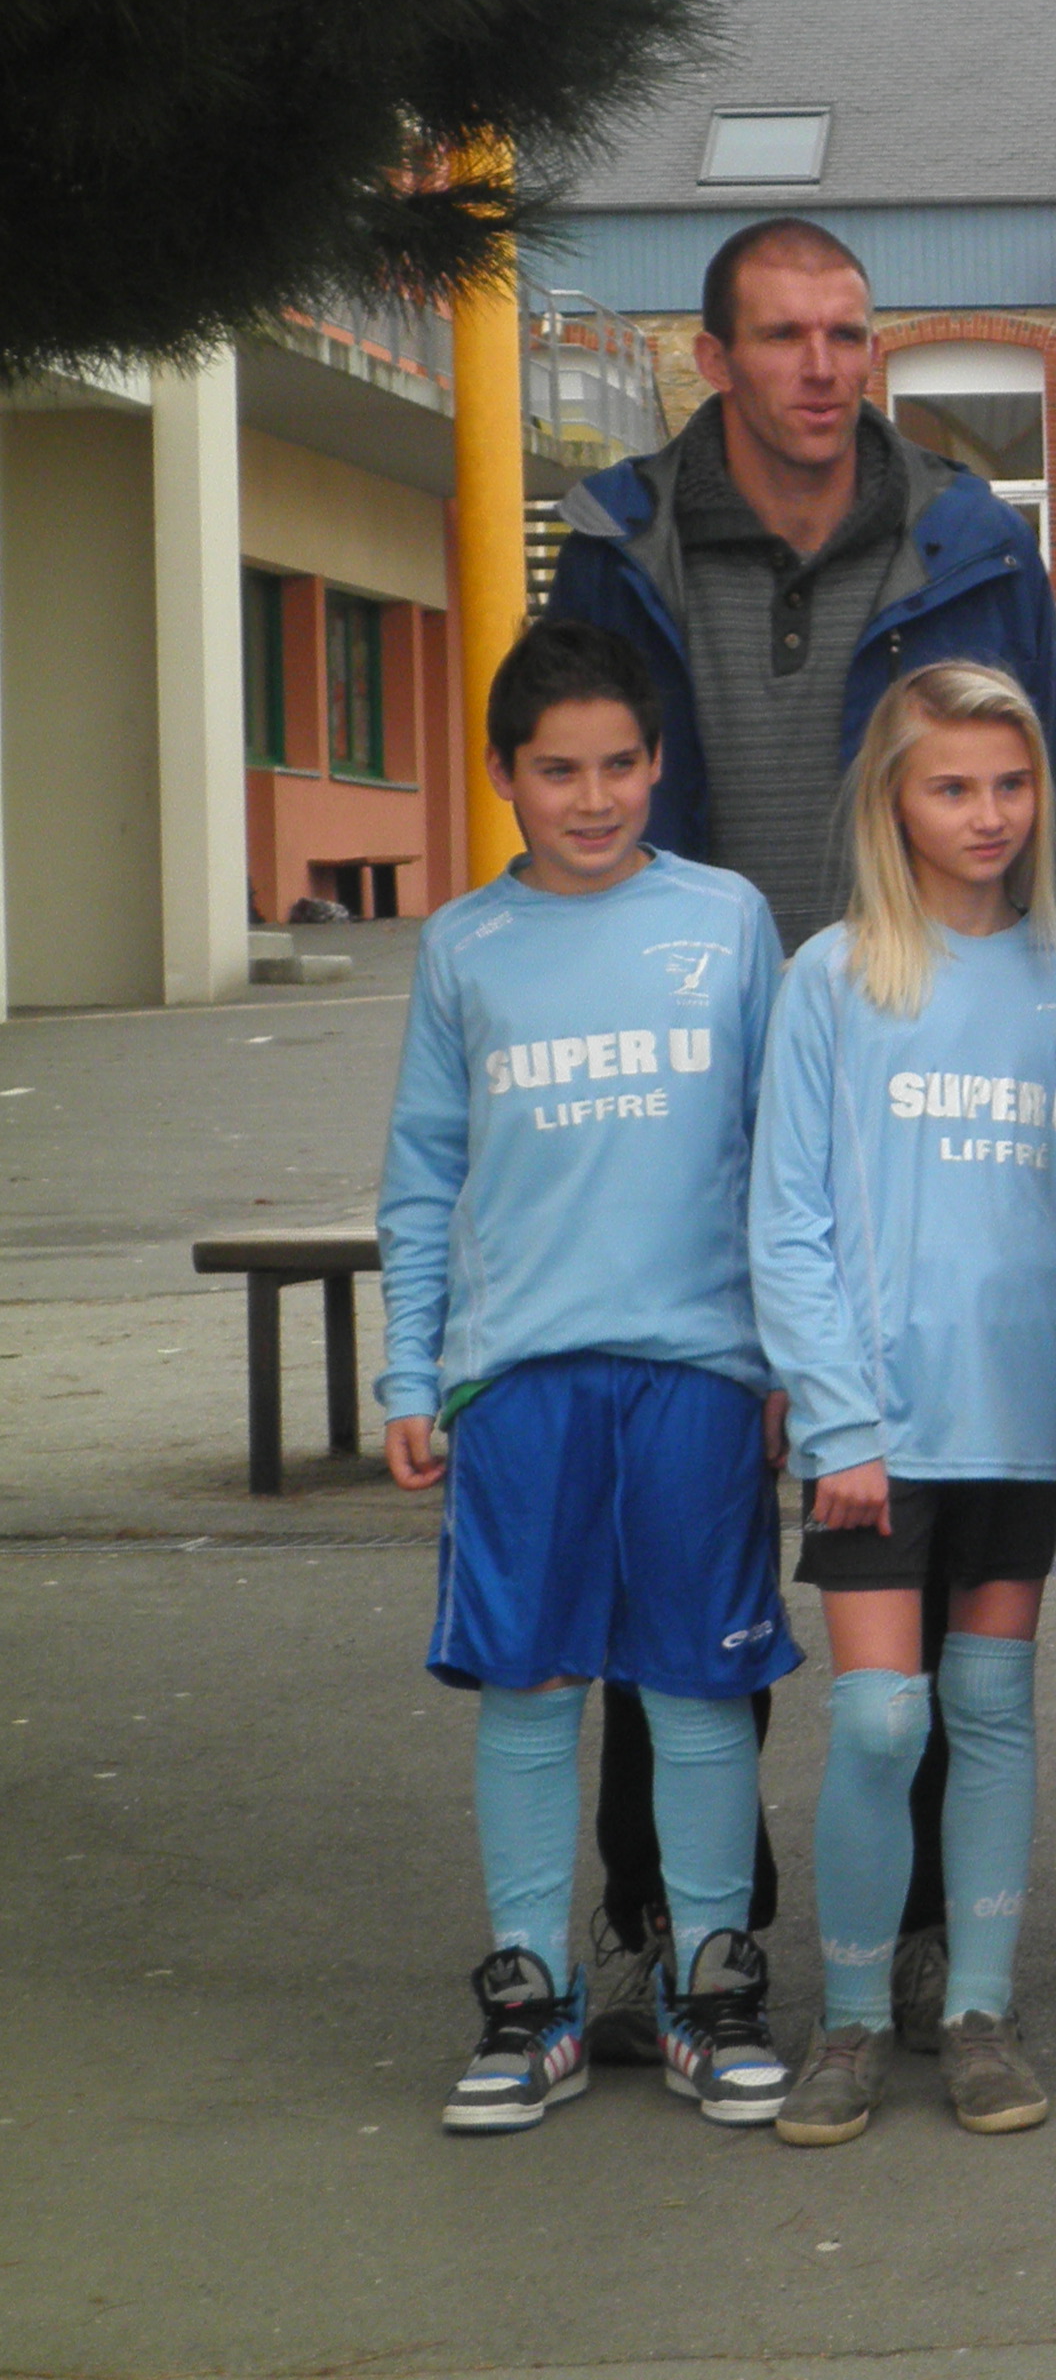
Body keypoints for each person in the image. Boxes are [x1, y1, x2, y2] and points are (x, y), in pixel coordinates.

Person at [540, 214, 1056, 2061]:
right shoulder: (618, 542)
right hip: (688, 1066)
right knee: (685, 1497)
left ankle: (919, 1931)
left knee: (905, 1517)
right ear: (714, 358)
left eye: (849, 333)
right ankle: (671, 1922)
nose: (823, 367)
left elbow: (1042, 778)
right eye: (783, 336)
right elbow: (575, 776)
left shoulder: (968, 540)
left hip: (905, 1048)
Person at [376, 622, 790, 2133]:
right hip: (521, 1383)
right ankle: (531, 1994)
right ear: (503, 774)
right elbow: (425, 1174)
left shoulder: (729, 921)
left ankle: (710, 1986)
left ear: (659, 763)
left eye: (621, 764)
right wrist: (408, 1372)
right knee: (531, 1686)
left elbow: (782, 1158)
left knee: (697, 1686)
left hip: (699, 1375)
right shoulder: (462, 947)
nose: (595, 797)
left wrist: (792, 1363)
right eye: (560, 770)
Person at [747, 663, 1056, 2145]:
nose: (987, 814)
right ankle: (848, 2022)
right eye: (952, 786)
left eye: (1011, 784)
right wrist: (835, 1420)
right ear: (892, 801)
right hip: (880, 1431)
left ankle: (976, 2007)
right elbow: (787, 1222)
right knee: (880, 1722)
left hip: (1022, 1424)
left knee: (989, 1709)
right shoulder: (835, 977)